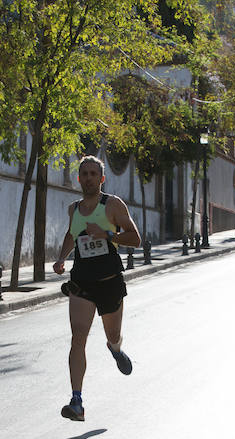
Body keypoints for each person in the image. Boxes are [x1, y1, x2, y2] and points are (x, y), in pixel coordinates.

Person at [53, 155, 142, 422]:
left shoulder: (112, 205)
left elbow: (135, 239)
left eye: (94, 174)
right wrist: (62, 257)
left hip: (109, 281)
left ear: (102, 179)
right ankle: (77, 401)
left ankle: (115, 348)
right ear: (79, 178)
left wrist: (108, 235)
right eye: (84, 174)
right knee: (77, 337)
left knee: (112, 332)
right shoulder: (74, 209)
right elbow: (72, 233)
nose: (89, 178)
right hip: (82, 281)